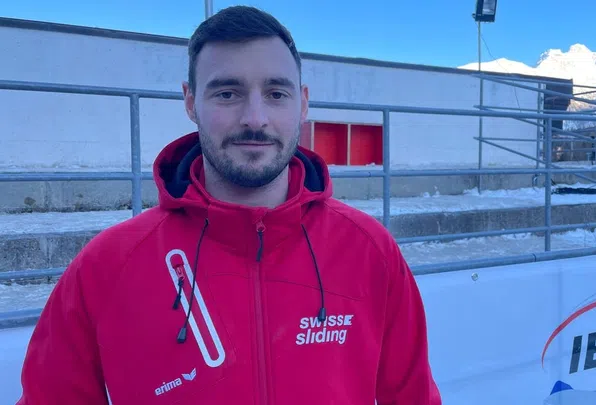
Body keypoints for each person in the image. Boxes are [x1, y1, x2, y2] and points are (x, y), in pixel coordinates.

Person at [16, 5, 442, 405]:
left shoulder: (370, 251)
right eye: (227, 93)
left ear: (303, 102)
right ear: (190, 102)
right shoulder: (107, 266)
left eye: (276, 93)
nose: (255, 118)